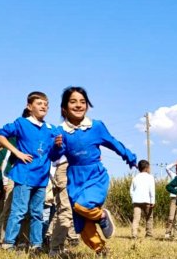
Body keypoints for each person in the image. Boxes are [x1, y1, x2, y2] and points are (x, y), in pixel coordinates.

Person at [54, 86, 137, 256]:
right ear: (64, 108)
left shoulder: (96, 126)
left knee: (82, 206)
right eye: (73, 102)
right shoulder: (60, 131)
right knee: (82, 223)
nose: (78, 105)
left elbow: (112, 142)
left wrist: (128, 155)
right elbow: (55, 157)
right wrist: (56, 146)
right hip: (75, 177)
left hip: (95, 175)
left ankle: (101, 217)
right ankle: (101, 250)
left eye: (82, 102)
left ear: (88, 106)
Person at [0, 91, 64, 252]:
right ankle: (9, 244)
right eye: (39, 104)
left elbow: (54, 156)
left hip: (41, 178)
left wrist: (58, 146)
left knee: (37, 213)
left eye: (46, 104)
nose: (44, 107)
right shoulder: (21, 123)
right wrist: (17, 152)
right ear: (29, 106)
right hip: (24, 174)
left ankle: (36, 245)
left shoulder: (51, 128)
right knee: (18, 211)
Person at [47, 154, 80, 256]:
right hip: (65, 166)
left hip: (76, 166)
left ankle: (56, 244)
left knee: (65, 210)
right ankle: (56, 248)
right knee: (66, 209)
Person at [130, 160, 156, 240]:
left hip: (136, 201)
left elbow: (131, 190)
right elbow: (152, 190)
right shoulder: (150, 177)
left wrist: (133, 198)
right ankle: (149, 234)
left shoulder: (135, 178)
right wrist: (153, 201)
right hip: (147, 200)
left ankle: (134, 233)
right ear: (147, 168)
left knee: (136, 218)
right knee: (149, 217)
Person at [164, 159, 177, 239]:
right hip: (174, 198)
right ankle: (168, 232)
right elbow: (167, 168)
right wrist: (176, 163)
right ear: (176, 169)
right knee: (171, 217)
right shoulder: (173, 175)